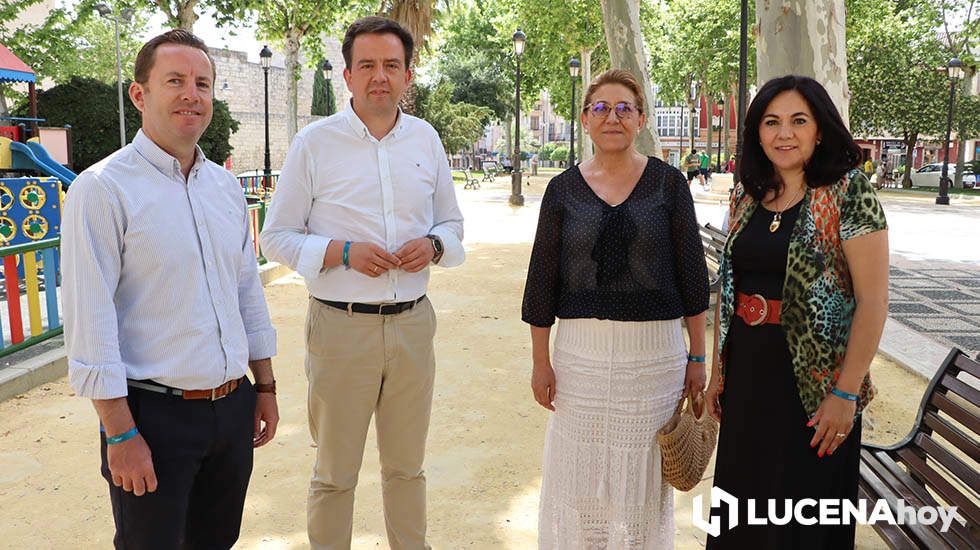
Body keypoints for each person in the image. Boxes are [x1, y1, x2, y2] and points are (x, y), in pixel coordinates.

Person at [61, 29, 279, 549]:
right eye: (175, 81)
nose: (191, 94)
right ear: (140, 95)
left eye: (202, 83)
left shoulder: (224, 187)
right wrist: (118, 431)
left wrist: (264, 386)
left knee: (217, 541)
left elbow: (246, 289)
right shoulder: (102, 189)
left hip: (232, 408)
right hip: (152, 418)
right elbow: (90, 321)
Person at [259, 16, 464, 550]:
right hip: (339, 329)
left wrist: (435, 245)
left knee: (407, 470)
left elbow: (452, 224)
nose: (380, 76)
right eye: (367, 65)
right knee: (334, 474)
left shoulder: (426, 139)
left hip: (414, 326)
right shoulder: (313, 144)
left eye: (391, 65)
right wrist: (340, 252)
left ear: (408, 74)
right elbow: (274, 237)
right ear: (347, 76)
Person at [523, 69, 710, 549]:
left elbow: (692, 277)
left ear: (641, 119)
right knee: (581, 478)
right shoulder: (562, 191)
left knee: (644, 483)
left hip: (654, 360)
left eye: (624, 108)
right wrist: (540, 361)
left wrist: (698, 356)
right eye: (601, 108)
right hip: (579, 359)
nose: (613, 117)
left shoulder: (670, 185)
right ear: (584, 120)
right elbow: (542, 282)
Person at [704, 75, 888, 549]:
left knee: (804, 523)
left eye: (798, 121)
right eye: (772, 122)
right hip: (748, 374)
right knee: (742, 516)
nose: (784, 134)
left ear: (820, 129)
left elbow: (873, 301)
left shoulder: (849, 192)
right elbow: (732, 286)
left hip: (815, 387)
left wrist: (845, 395)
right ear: (758, 133)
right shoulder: (748, 193)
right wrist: (716, 373)